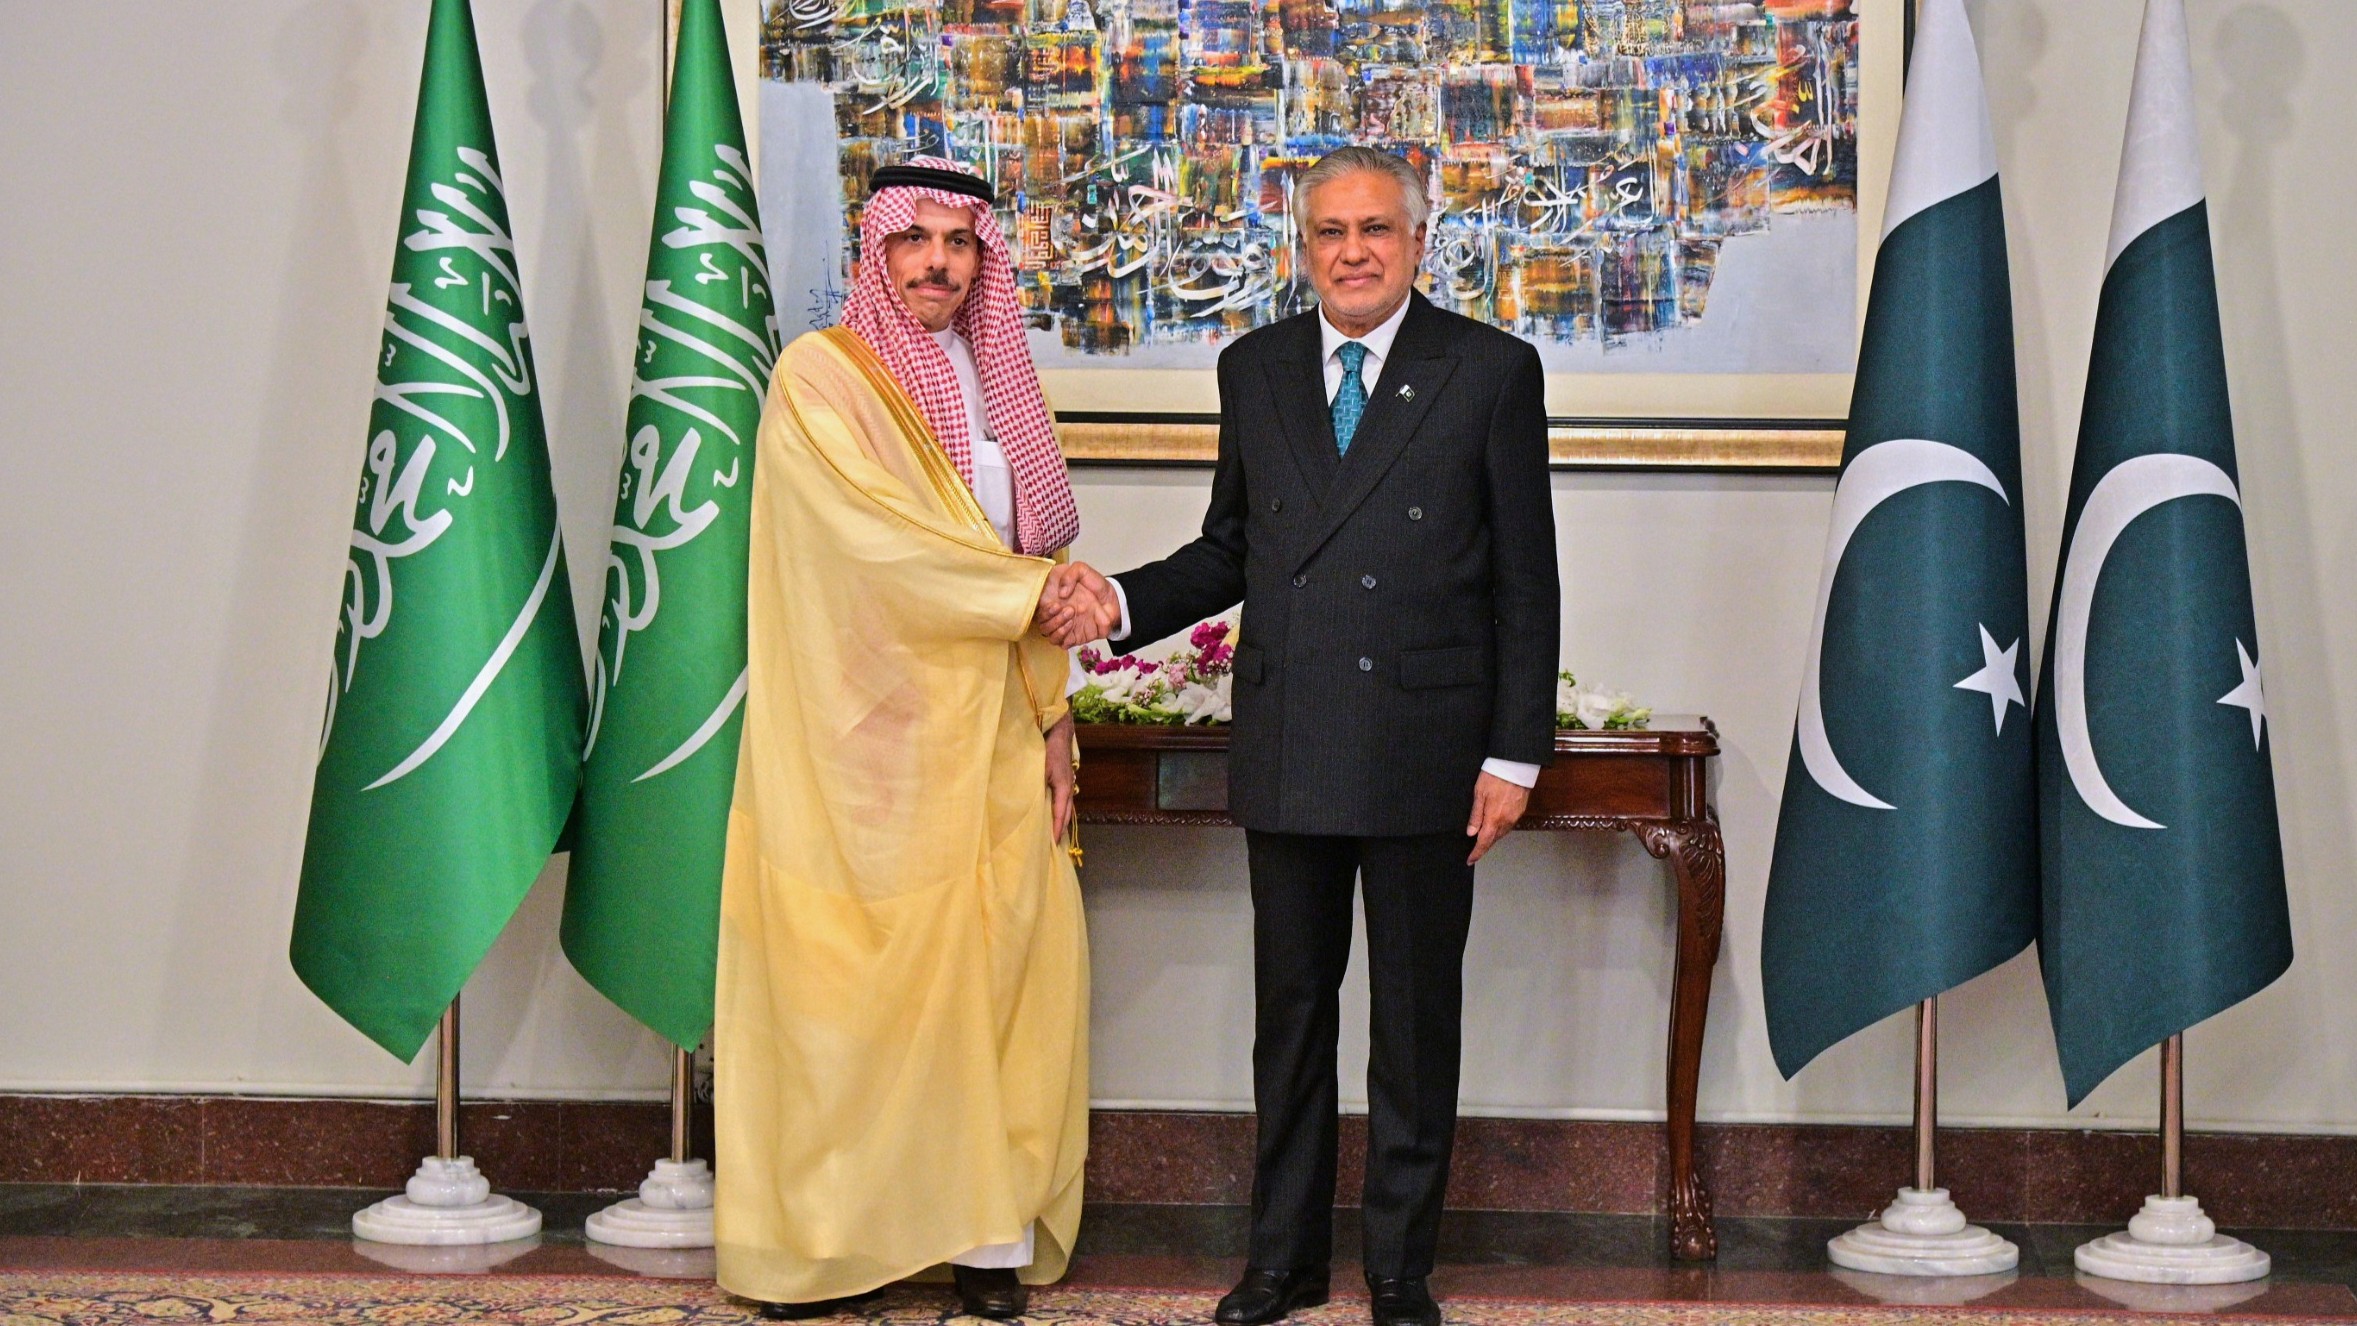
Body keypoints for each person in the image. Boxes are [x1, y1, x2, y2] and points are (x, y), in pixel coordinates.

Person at [1042, 146, 1560, 1326]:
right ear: (1302, 246)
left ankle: (1396, 1269)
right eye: (1329, 232)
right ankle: (1276, 1262)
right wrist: (1116, 603)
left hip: (1432, 747)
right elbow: (1233, 547)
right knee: (1289, 1019)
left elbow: (1526, 581)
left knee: (1415, 1028)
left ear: (1419, 242)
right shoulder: (1256, 367)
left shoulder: (1487, 370)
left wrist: (1512, 753)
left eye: (1376, 229)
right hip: (1290, 738)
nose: (1353, 252)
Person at [715, 157, 1092, 1321]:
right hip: (861, 740)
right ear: (872, 255)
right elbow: (870, 548)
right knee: (852, 990)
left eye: (957, 242)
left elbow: (1011, 553)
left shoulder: (996, 380)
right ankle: (828, 1246)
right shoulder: (820, 379)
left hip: (990, 723)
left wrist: (1055, 716)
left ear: (985, 258)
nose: (936, 262)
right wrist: (1028, 599)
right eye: (911, 241)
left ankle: (982, 1241)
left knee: (994, 977)